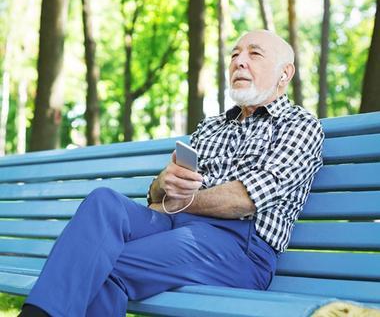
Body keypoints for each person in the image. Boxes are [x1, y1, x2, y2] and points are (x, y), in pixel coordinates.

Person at [19, 30, 324, 317]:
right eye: (234, 55)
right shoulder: (211, 126)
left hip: (240, 251)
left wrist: (182, 202)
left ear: (285, 73)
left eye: (254, 54)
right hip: (174, 226)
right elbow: (159, 195)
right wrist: (162, 184)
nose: (239, 61)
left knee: (100, 264)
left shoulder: (300, 126)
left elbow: (245, 198)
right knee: (104, 202)